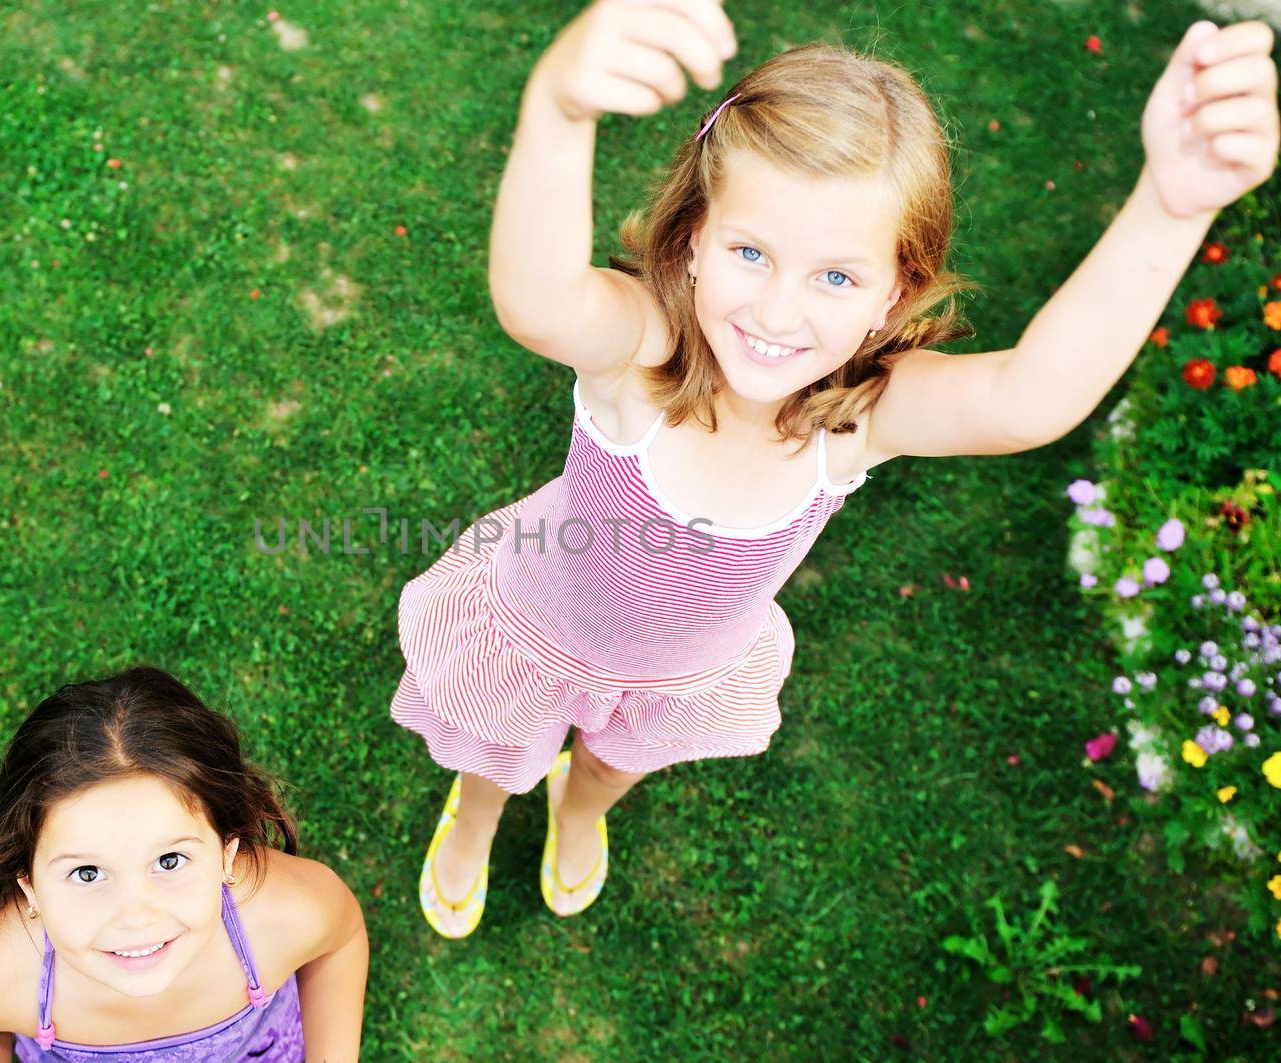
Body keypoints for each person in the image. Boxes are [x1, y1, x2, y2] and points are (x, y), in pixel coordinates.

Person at [393, 0, 1279, 938]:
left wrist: (1172, 207)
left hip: (680, 671)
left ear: (892, 293)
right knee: (495, 750)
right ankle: (478, 817)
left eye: (836, 277)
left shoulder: (859, 416)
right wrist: (558, 110)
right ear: (693, 240)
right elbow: (539, 303)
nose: (778, 311)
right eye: (749, 251)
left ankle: (580, 809)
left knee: (616, 764)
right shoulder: (640, 353)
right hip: (541, 618)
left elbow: (1028, 399)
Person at [0, 666, 367, 1059]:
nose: (135, 914)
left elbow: (341, 939)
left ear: (226, 855)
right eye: (87, 873)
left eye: (170, 860)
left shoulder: (282, 915)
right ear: (29, 886)